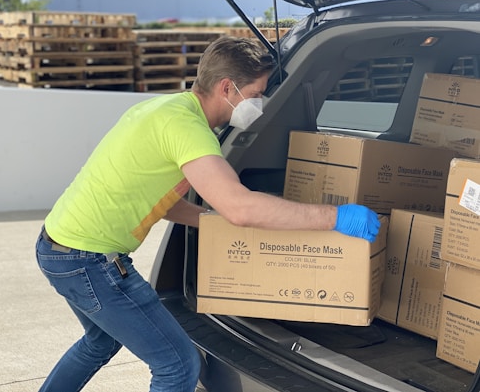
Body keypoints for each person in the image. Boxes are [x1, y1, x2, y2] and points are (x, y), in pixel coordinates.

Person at [35, 35, 380, 392]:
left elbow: (159, 198)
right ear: (227, 88)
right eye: (258, 93)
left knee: (99, 342)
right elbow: (240, 207)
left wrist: (208, 221)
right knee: (178, 366)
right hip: (90, 262)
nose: (260, 103)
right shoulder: (190, 130)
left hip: (57, 247)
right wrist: (337, 218)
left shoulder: (163, 110)